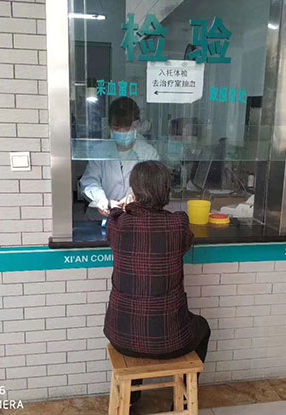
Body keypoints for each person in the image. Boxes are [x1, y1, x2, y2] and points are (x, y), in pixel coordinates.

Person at [103, 161, 211, 404]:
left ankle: (131, 401)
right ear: (167, 191)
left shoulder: (119, 224)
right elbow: (185, 243)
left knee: (139, 327)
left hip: (120, 336)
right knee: (203, 327)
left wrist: (126, 207)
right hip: (170, 340)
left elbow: (115, 216)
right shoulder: (177, 224)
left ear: (133, 191)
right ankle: (183, 402)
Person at [80, 97, 159, 220]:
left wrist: (134, 198)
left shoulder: (149, 153)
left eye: (127, 129)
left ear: (137, 125)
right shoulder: (99, 151)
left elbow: (153, 186)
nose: (122, 133)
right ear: (110, 127)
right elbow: (89, 181)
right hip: (100, 219)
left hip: (135, 219)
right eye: (117, 129)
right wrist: (101, 200)